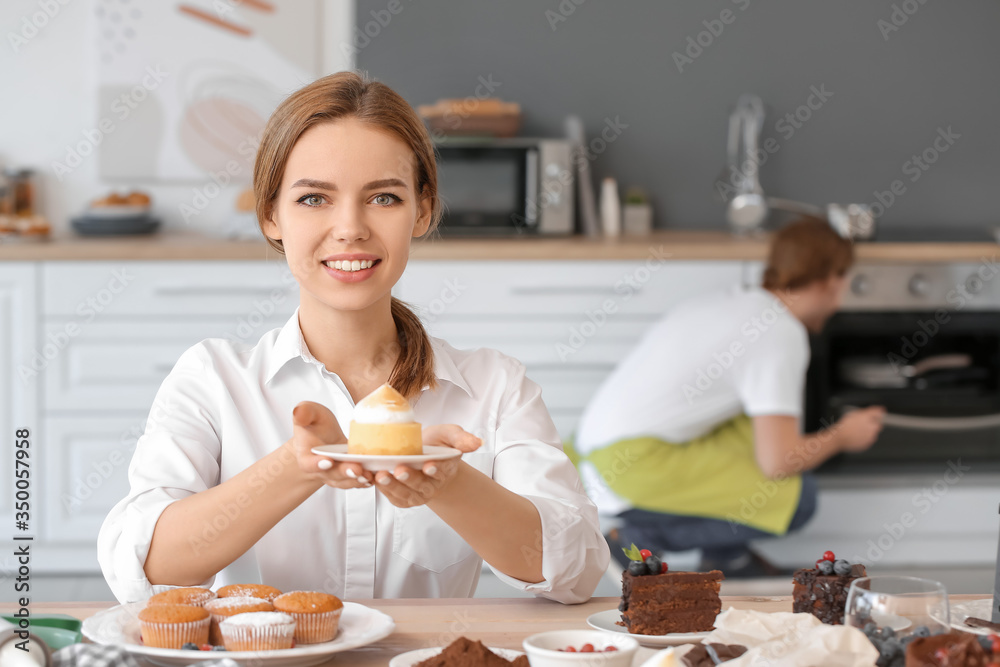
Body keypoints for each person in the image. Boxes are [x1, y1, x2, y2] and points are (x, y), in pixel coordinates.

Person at [98, 72, 608, 604]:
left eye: (383, 198)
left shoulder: (495, 385)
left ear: (423, 210)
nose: (350, 228)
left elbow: (575, 573)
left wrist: (446, 482)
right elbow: (141, 570)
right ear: (271, 215)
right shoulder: (212, 378)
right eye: (314, 199)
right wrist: (298, 466)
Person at [569, 218, 885, 577]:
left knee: (748, 428)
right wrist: (843, 435)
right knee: (800, 497)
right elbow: (778, 461)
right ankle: (632, 537)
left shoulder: (739, 304)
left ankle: (727, 558)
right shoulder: (779, 332)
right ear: (832, 279)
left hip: (595, 450)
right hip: (630, 464)